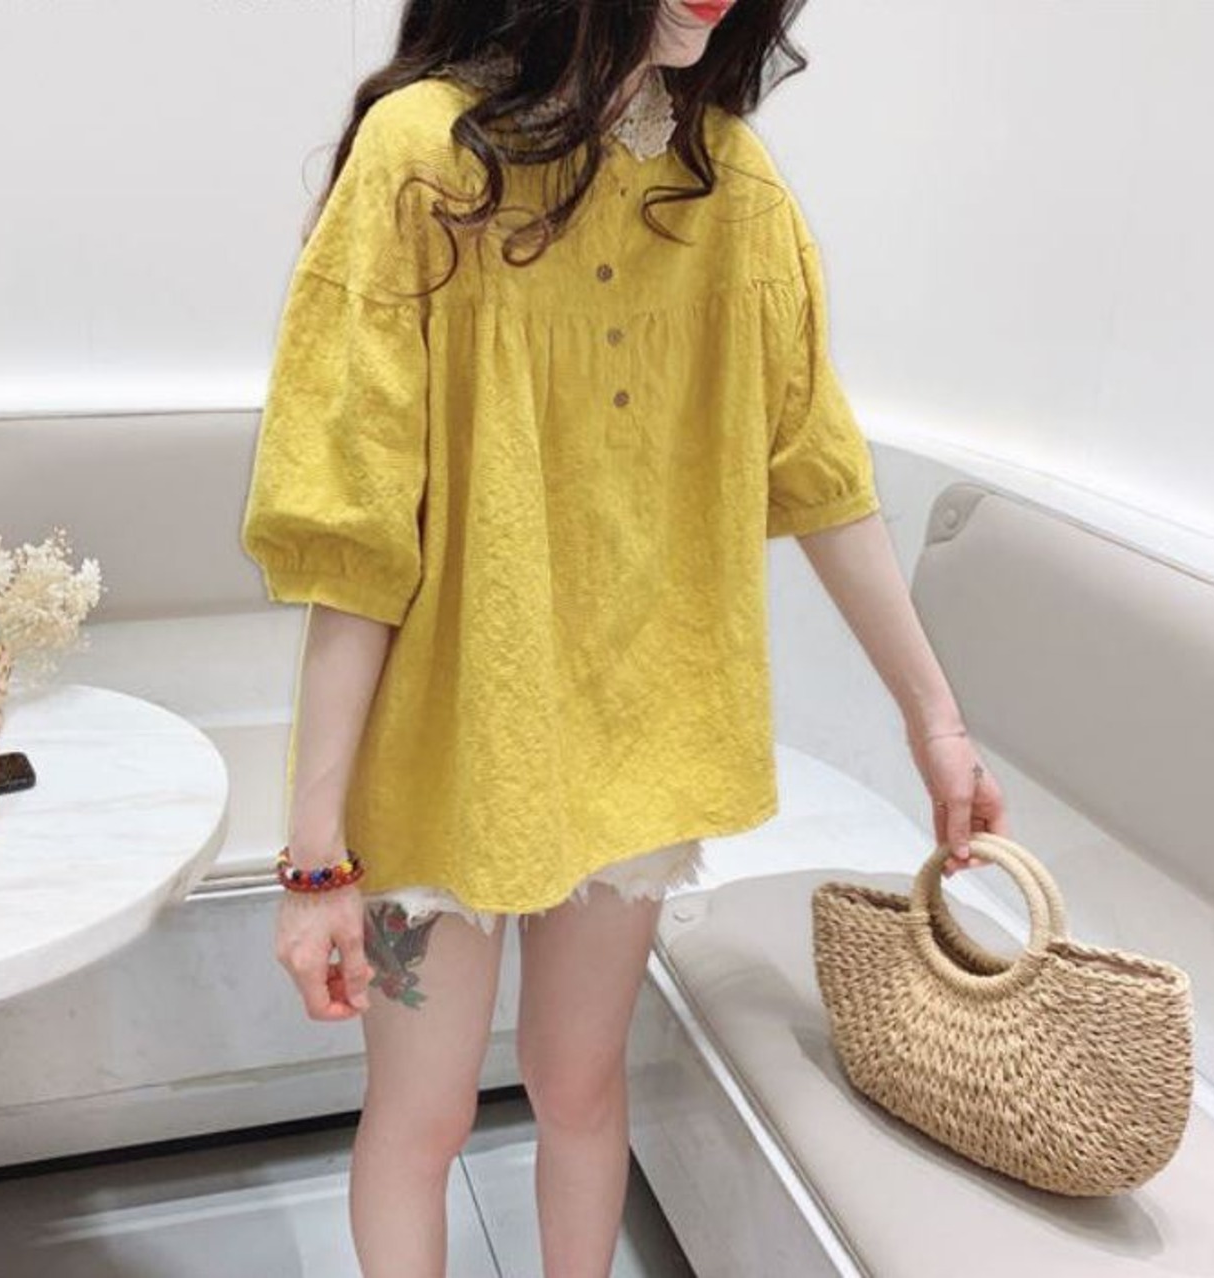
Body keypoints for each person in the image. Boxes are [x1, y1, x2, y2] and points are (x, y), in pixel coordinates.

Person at [240, 1, 1011, 1274]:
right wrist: (313, 854)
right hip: (440, 758)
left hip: (635, 745)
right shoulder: (422, 158)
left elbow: (818, 472)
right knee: (421, 1118)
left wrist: (936, 723)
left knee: (581, 1087)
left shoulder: (730, 186)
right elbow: (352, 534)